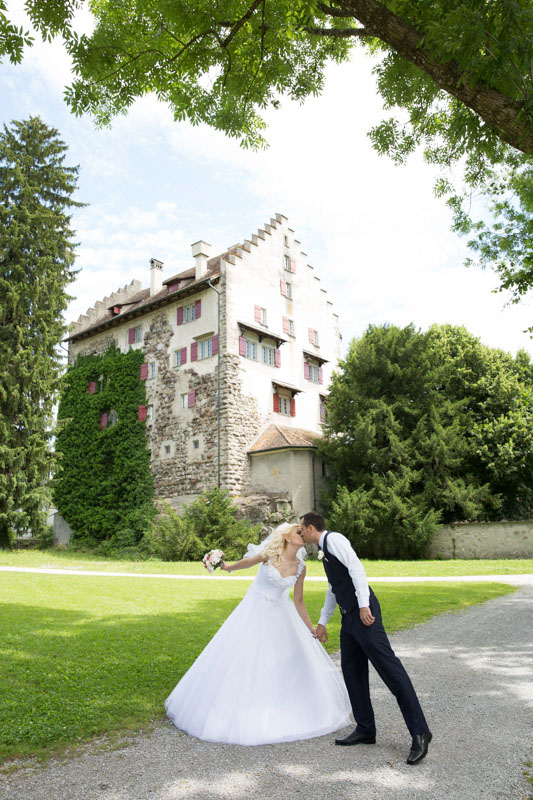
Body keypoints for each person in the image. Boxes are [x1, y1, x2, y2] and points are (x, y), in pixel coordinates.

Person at [164, 522, 352, 745]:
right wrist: (224, 566)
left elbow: (299, 601)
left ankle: (284, 707)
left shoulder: (301, 567)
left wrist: (310, 626)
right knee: (246, 658)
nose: (301, 534)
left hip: (283, 616)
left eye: (302, 532)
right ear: (286, 537)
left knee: (285, 661)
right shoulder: (269, 555)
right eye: (297, 532)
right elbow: (245, 563)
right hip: (254, 612)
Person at [299, 512, 432, 765]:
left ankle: (420, 732)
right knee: (352, 672)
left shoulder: (335, 540)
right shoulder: (324, 551)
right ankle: (365, 729)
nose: (300, 533)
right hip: (348, 619)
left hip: (364, 614)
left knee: (390, 671)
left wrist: (363, 606)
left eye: (302, 529)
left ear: (312, 528)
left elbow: (357, 569)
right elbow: (334, 586)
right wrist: (323, 621)